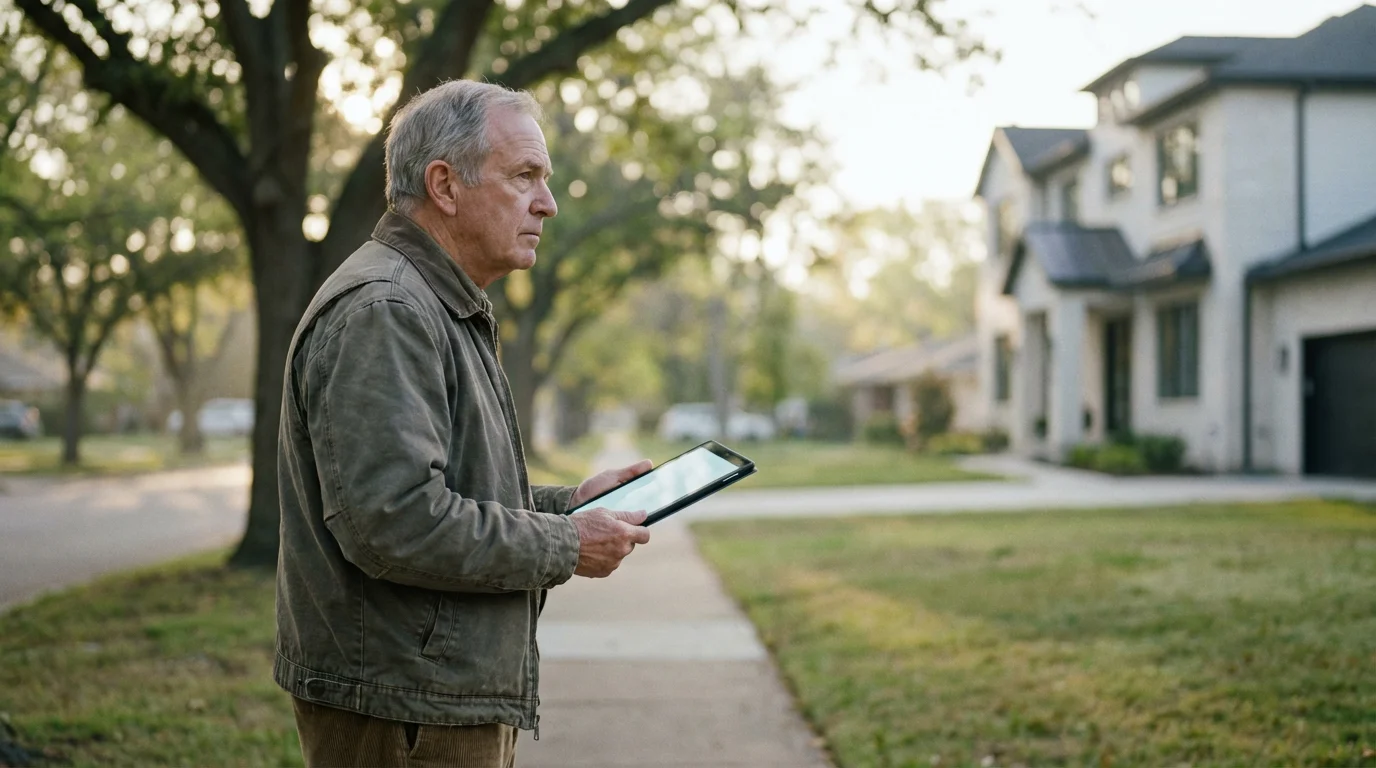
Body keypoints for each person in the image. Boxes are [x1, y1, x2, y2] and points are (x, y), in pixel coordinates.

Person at [274, 80, 653, 767]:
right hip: (404, 708)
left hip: (428, 697)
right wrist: (567, 544)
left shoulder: (437, 305)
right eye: (524, 177)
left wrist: (568, 507)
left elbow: (443, 492)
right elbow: (394, 524)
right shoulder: (386, 312)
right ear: (444, 186)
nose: (549, 202)